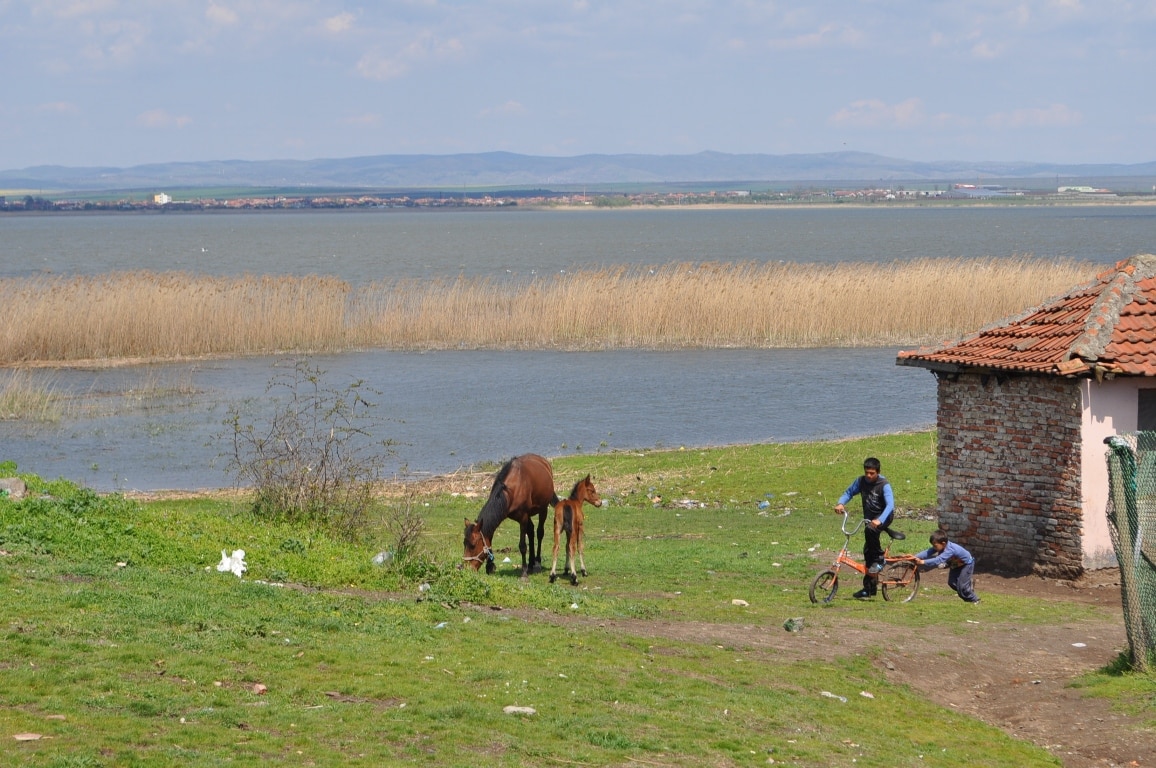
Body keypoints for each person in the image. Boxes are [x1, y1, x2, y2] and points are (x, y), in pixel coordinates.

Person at [834, 457, 896, 599]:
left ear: (878, 472)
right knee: (867, 552)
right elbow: (849, 492)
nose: (869, 476)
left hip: (884, 517)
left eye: (872, 473)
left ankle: (880, 558)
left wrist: (880, 520)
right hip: (869, 518)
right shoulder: (861, 481)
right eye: (867, 472)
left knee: (870, 530)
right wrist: (841, 503)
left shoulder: (884, 484)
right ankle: (869, 589)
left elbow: (890, 505)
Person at [914, 530, 980, 604]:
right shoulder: (940, 546)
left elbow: (938, 560)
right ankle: (968, 589)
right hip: (955, 564)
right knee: (952, 583)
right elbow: (928, 552)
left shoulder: (950, 549)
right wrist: (914, 557)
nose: (934, 548)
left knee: (962, 587)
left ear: (943, 543)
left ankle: (975, 599)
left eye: (935, 546)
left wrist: (923, 562)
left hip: (966, 564)